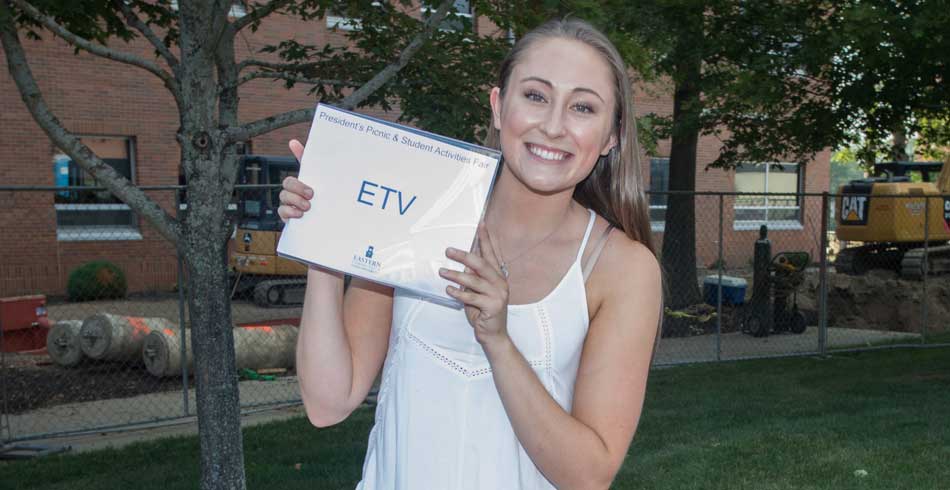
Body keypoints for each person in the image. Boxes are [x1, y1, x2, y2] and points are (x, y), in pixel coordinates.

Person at [278, 18, 663, 490]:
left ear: (611, 136)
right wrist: (323, 244)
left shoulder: (622, 268)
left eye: (582, 107)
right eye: (536, 96)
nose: (553, 125)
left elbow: (589, 475)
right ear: (499, 107)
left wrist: (498, 341)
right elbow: (327, 403)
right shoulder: (416, 211)